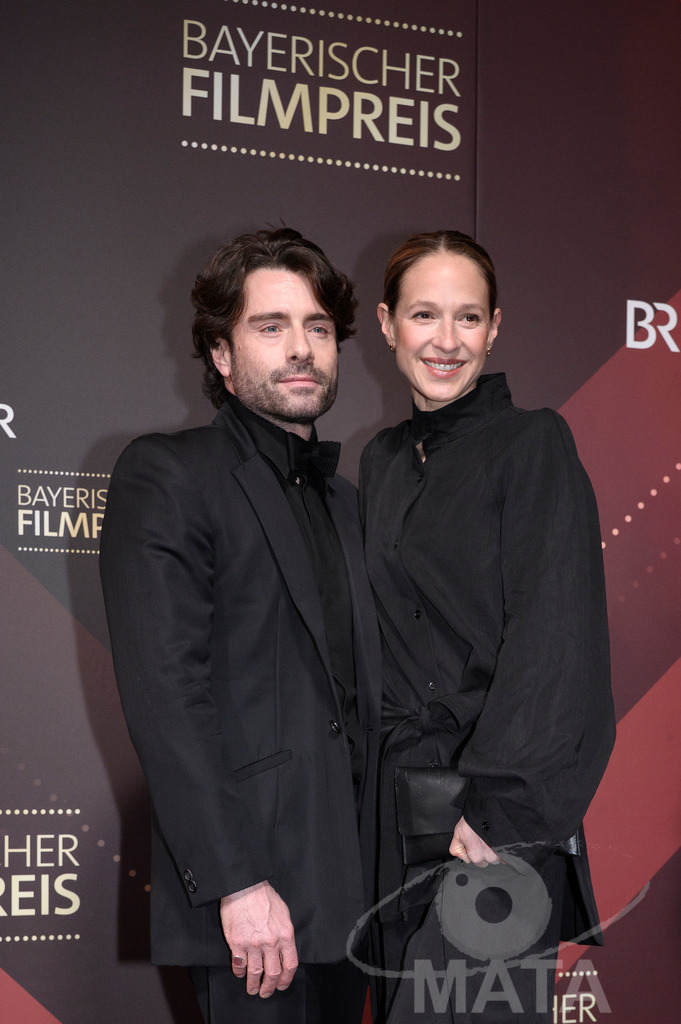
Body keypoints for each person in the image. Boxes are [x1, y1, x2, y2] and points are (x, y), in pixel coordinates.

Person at [99, 227, 381, 1024]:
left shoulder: (350, 504)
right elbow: (166, 695)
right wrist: (237, 882)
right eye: (271, 326)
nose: (301, 349)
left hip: (353, 896)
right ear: (221, 356)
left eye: (318, 328)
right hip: (251, 902)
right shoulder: (170, 474)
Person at [359, 231, 615, 1022]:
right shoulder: (381, 460)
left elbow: (556, 641)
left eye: (467, 318)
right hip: (396, 813)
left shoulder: (532, 444)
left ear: (495, 327)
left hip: (489, 815)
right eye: (424, 315)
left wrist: (496, 814)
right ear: (385, 323)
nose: (445, 340)